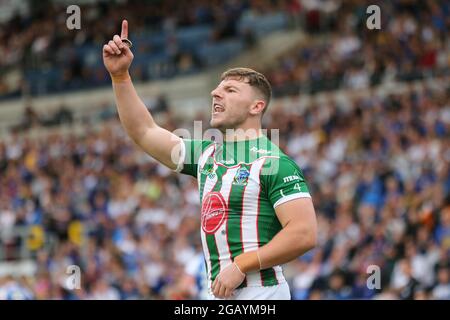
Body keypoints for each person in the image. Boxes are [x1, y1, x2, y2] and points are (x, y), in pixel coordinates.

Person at [103, 20, 317, 300]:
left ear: (256, 106)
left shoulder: (274, 162)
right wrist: (121, 78)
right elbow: (144, 132)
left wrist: (242, 265)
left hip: (261, 292)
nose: (216, 93)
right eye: (217, 88)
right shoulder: (207, 155)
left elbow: (304, 234)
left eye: (230, 90)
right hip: (218, 294)